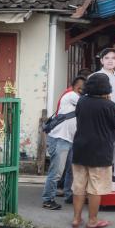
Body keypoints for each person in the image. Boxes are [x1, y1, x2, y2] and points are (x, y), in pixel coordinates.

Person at [71, 73, 115, 228]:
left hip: (80, 148)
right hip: (100, 150)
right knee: (96, 187)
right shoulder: (109, 105)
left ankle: (76, 219)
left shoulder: (82, 101)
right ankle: (92, 220)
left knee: (79, 185)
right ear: (106, 87)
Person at [41, 76, 85, 210]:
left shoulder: (76, 97)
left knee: (71, 170)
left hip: (70, 140)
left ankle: (68, 194)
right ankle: (48, 199)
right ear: (79, 88)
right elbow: (86, 104)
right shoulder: (72, 95)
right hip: (60, 139)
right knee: (56, 172)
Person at [96, 48, 115, 182]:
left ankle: (108, 172)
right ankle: (98, 173)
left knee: (111, 144)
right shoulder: (95, 76)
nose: (110, 61)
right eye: (107, 58)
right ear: (101, 60)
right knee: (99, 143)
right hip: (99, 115)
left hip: (114, 116)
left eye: (113, 58)